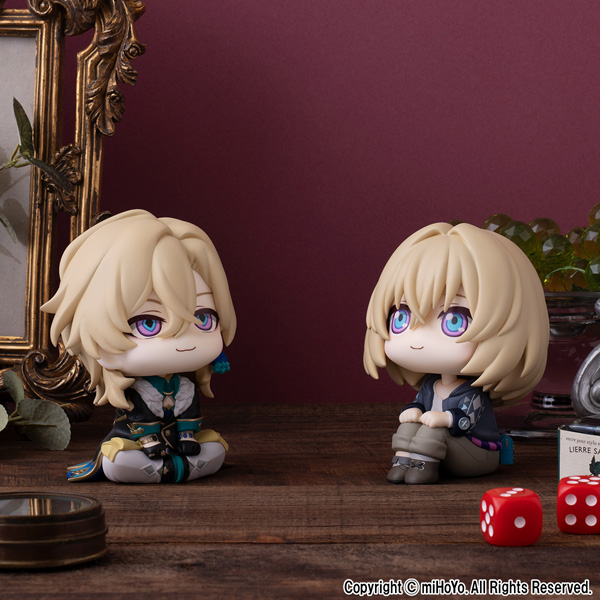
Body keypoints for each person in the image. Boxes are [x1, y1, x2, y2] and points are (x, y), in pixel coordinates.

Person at [42, 209, 236, 483]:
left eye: (204, 318)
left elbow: (191, 413)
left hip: (180, 441)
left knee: (215, 446)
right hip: (139, 441)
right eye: (148, 324)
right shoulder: (137, 390)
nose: (181, 341)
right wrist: (149, 442)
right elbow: (138, 418)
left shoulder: (185, 385)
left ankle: (176, 466)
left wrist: (187, 436)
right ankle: (166, 467)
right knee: (118, 459)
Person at [363, 222, 549, 484]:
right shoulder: (431, 385)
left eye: (454, 320)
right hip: (446, 450)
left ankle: (422, 468)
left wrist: (443, 418)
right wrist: (414, 410)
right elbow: (420, 404)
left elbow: (465, 420)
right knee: (409, 426)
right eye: (401, 317)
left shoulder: (471, 393)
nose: (417, 339)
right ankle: (403, 463)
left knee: (433, 432)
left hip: (477, 452)